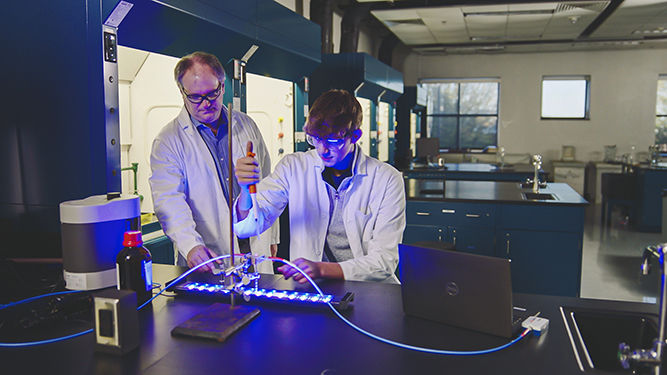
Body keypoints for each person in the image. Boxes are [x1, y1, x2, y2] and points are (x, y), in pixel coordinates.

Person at [234, 89, 405, 283]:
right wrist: (246, 191)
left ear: (355, 136)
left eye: (332, 140)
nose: (322, 149)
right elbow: (248, 227)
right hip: (312, 289)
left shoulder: (386, 179)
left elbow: (384, 262)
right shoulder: (294, 167)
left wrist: (321, 269)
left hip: (369, 290)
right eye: (315, 138)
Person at [149, 51, 277, 273]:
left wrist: (272, 235)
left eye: (212, 93)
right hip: (208, 255)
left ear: (223, 86)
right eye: (195, 97)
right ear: (182, 92)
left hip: (253, 247)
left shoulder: (246, 125)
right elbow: (168, 200)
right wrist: (190, 246)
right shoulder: (168, 141)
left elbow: (266, 181)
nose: (206, 103)